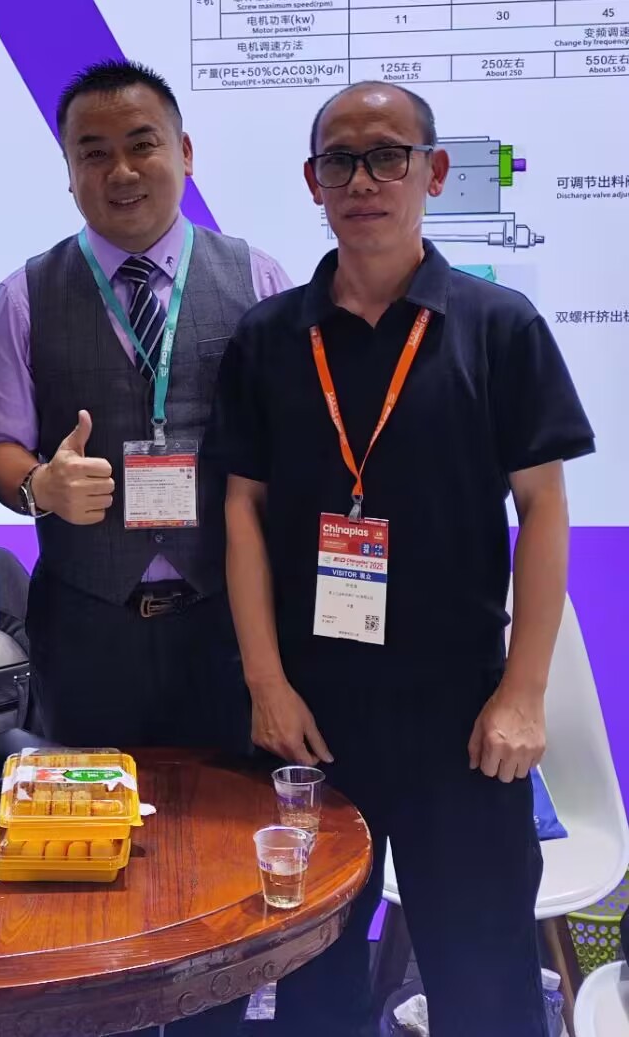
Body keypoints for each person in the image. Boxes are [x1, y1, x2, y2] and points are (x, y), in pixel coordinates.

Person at [205, 80, 595, 1037]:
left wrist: (523, 694)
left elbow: (544, 506)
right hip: (313, 718)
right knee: (310, 986)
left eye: (387, 157)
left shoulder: (498, 327)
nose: (363, 181)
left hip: (462, 715)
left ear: (435, 172)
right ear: (313, 182)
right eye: (339, 161)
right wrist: (266, 685)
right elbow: (242, 510)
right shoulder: (270, 338)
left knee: (487, 986)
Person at [0, 59, 290, 752]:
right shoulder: (23, 296)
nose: (121, 172)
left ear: (185, 152)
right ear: (69, 172)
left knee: (231, 806)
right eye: (94, 154)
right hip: (87, 627)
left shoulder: (258, 278)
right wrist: (40, 485)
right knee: (88, 806)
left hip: (229, 618)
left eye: (143, 144)